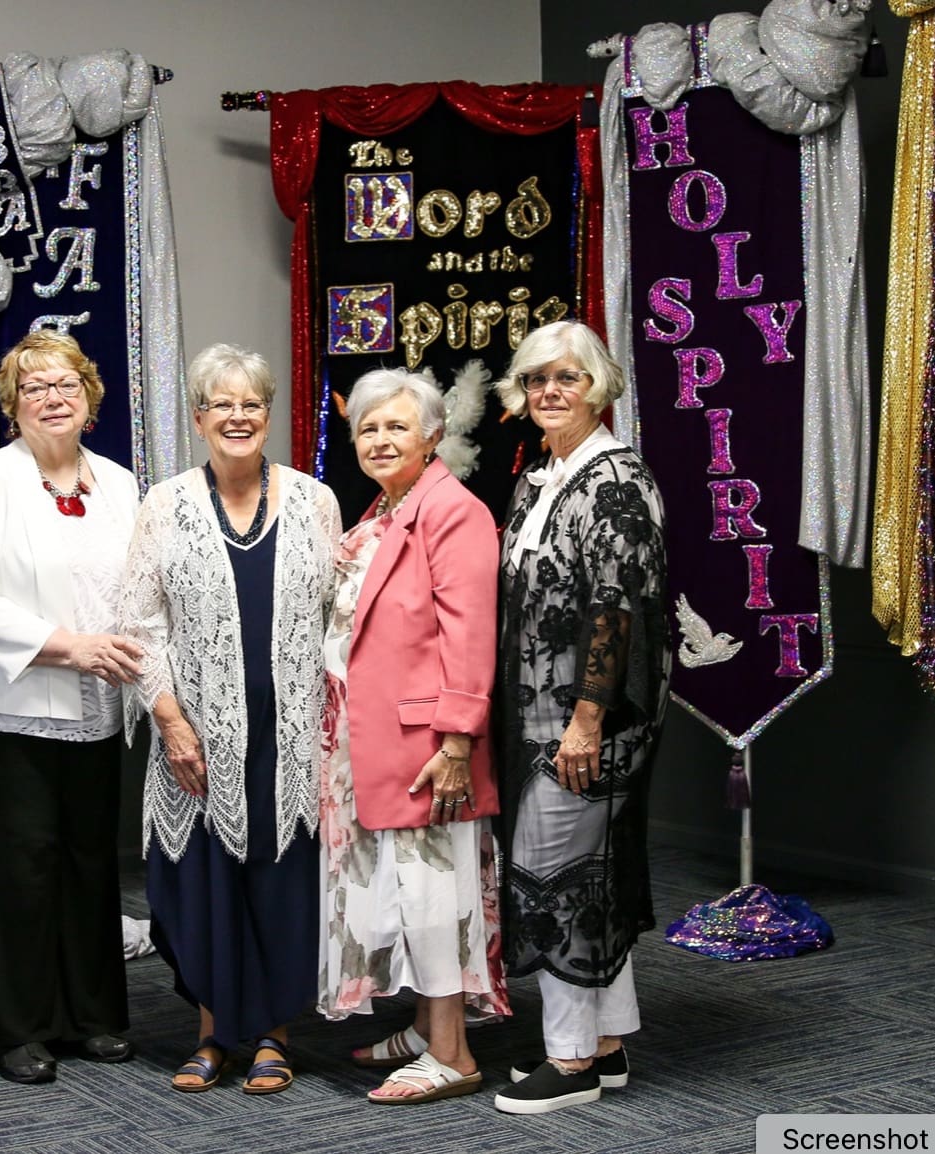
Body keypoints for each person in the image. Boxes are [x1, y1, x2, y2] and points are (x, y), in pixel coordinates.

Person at [121, 343, 341, 1095]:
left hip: (291, 735)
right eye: (223, 403)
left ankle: (275, 1037)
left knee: (281, 883)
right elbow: (138, 623)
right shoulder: (164, 505)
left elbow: (335, 618)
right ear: (199, 416)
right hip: (197, 735)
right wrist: (171, 721)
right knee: (203, 883)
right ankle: (214, 1035)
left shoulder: (316, 501)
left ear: (269, 415)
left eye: (253, 403)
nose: (239, 416)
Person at [0, 330, 144, 1084]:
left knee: (89, 864)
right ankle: (18, 1026)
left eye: (66, 384)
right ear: (11, 406)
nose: (52, 398)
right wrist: (66, 645)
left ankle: (92, 1015)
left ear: (90, 398)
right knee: (16, 869)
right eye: (34, 388)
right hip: (5, 708)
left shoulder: (120, 483)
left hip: (98, 708)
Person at [490, 321, 669, 1116]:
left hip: (588, 721)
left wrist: (588, 720)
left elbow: (615, 612)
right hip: (532, 716)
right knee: (588, 875)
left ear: (598, 388)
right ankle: (607, 1040)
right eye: (535, 380)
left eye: (566, 377)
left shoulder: (618, 484)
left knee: (552, 875)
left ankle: (568, 1065)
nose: (549, 392)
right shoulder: (537, 480)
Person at [317, 367, 509, 1105]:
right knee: (401, 888)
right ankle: (430, 1027)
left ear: (433, 435)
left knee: (433, 892)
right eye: (367, 427)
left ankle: (453, 1054)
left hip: (428, 746)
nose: (379, 438)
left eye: (397, 426)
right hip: (371, 740)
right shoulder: (388, 508)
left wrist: (457, 740)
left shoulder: (451, 510)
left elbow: (469, 633)